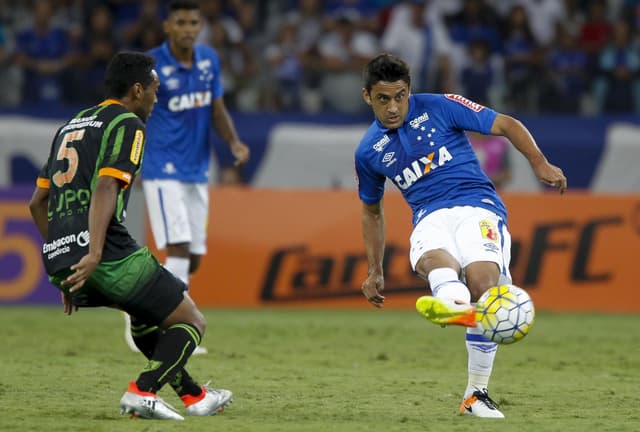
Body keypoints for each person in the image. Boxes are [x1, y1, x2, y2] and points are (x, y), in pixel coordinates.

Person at [355, 53, 566, 418]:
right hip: (428, 217)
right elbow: (371, 210)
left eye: (400, 96)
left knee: (484, 282)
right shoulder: (368, 151)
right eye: (383, 99)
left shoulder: (441, 105)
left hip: (477, 205)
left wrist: (538, 162)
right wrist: (374, 269)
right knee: (437, 262)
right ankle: (457, 306)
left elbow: (507, 124)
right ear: (367, 97)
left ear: (410, 91)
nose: (393, 107)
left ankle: (474, 393)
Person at [28, 51, 233, 420]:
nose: (156, 99)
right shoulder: (127, 124)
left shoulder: (70, 125)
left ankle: (194, 396)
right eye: (154, 90)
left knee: (143, 316)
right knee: (191, 321)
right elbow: (107, 185)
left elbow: (37, 203)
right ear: (137, 90)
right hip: (105, 252)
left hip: (61, 260)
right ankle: (143, 391)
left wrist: (66, 261)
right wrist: (92, 251)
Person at [124, 0, 250, 355]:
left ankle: (139, 305)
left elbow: (216, 108)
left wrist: (234, 142)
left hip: (196, 169)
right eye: (180, 22)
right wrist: (132, 160)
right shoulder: (150, 66)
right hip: (162, 168)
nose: (188, 29)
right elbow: (133, 112)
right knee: (177, 247)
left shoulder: (209, 60)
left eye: (194, 23)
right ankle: (175, 327)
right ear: (168, 27)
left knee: (192, 256)